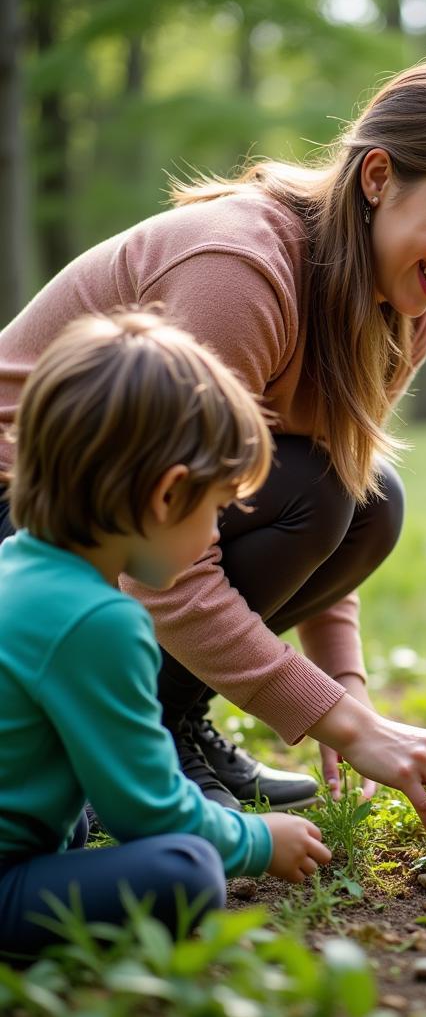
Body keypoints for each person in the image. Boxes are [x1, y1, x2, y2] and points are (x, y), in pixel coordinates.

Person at [0, 57, 426, 831]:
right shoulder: (240, 270)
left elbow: (338, 502)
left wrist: (348, 686)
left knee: (369, 501)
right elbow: (162, 555)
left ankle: (172, 718)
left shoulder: (403, 308)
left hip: (109, 526)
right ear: (376, 177)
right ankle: (133, 747)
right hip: (27, 518)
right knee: (320, 490)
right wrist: (343, 724)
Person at [0, 312, 333, 958]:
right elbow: (148, 816)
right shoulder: (99, 620)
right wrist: (259, 840)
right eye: (215, 509)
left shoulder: (17, 564)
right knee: (185, 869)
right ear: (167, 495)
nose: (214, 534)